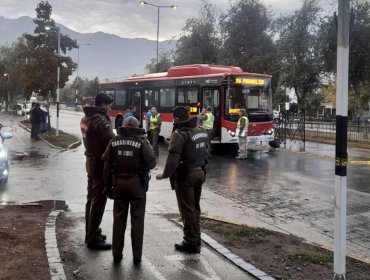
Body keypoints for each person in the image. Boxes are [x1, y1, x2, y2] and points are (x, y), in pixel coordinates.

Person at [102, 116, 156, 264]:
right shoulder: (141, 142)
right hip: (137, 185)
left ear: (124, 126)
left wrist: (108, 186)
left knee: (119, 220)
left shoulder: (114, 141)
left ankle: (117, 254)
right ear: (136, 126)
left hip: (118, 184)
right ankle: (137, 256)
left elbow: (106, 165)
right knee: (137, 221)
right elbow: (152, 164)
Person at [156, 106, 209, 254]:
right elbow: (207, 153)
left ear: (177, 118)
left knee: (187, 209)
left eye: (174, 118)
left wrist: (165, 174)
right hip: (200, 173)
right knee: (195, 207)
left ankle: (190, 241)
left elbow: (173, 160)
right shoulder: (201, 131)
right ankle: (196, 237)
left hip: (186, 176)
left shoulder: (179, 134)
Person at [80, 93, 114, 250]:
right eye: (108, 105)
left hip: (90, 161)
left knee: (90, 199)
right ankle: (93, 238)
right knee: (98, 201)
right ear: (102, 105)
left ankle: (91, 231)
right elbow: (111, 143)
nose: (110, 108)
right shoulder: (100, 121)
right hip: (100, 163)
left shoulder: (86, 118)